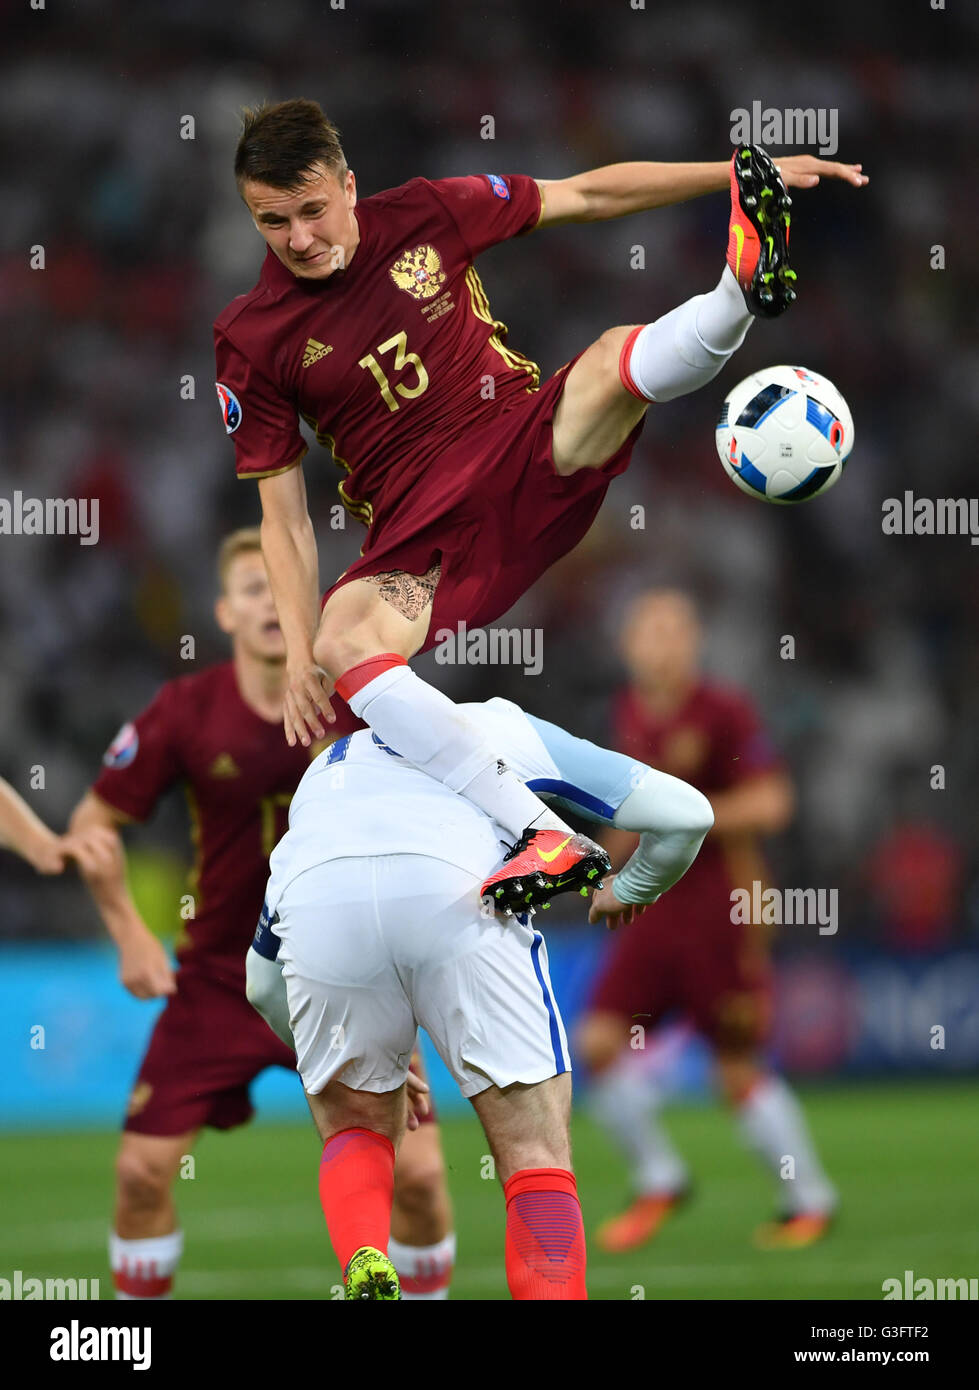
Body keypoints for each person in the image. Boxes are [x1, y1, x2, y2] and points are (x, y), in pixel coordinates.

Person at [213, 98, 867, 911]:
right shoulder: (251, 337)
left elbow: (585, 196)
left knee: (603, 362)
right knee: (344, 636)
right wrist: (300, 651)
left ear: (349, 186)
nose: (300, 239)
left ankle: (739, 286)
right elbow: (283, 518)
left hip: (522, 437)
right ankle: (542, 832)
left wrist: (732, 172)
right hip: (422, 536)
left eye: (312, 211)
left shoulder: (424, 211)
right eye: (273, 222)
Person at [68, 528, 456, 1300]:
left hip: (349, 975)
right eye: (248, 589)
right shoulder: (185, 710)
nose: (267, 603)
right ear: (224, 613)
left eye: (273, 586)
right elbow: (91, 824)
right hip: (218, 979)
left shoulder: (365, 698)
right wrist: (127, 931)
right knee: (142, 1172)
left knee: (416, 1178)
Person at [246, 694, 715, 1299]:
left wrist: (338, 1063)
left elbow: (260, 984)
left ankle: (364, 1250)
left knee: (355, 1129)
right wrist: (631, 887)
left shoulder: (327, 763)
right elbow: (688, 814)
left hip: (321, 909)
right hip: (457, 899)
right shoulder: (500, 724)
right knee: (533, 1153)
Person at [575, 590, 837, 1251]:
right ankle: (659, 1178)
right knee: (599, 1043)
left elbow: (773, 803)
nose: (660, 644)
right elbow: (632, 818)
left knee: (735, 1069)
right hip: (650, 913)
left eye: (673, 630)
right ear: (626, 645)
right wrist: (598, 869)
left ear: (693, 643)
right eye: (648, 631)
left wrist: (685, 816)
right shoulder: (627, 711)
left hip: (718, 912)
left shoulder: (722, 711)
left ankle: (807, 1199)